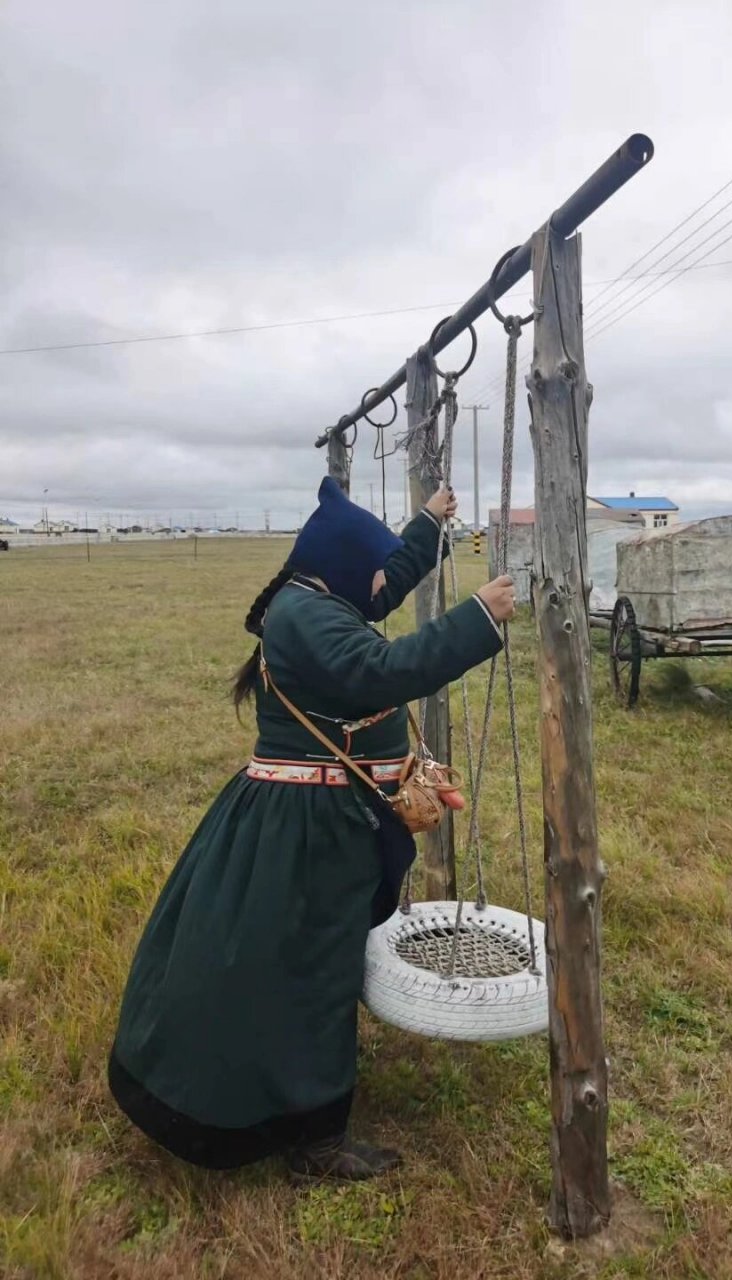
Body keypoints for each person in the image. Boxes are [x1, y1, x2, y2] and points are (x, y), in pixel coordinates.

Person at [108, 477, 516, 1180]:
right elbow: (379, 668)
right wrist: (478, 614)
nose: (382, 586)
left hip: (313, 820)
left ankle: (303, 1113)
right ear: (342, 566)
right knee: (313, 972)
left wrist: (426, 522)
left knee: (301, 965)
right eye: (375, 568)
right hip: (305, 829)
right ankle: (314, 1140)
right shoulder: (305, 618)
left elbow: (382, 589)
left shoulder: (314, 598)